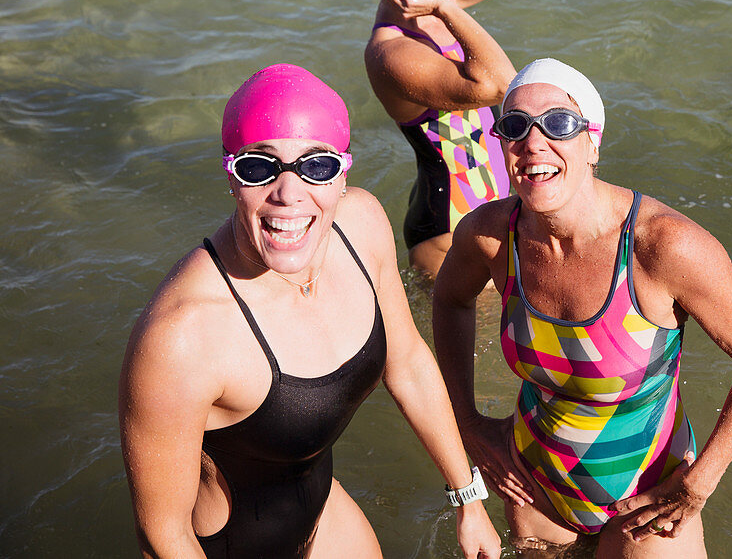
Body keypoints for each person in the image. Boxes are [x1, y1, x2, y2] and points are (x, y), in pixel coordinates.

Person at [118, 64, 500, 558]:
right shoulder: (183, 337)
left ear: (343, 173)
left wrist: (468, 498)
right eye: (260, 167)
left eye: (316, 165)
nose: (289, 193)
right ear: (231, 176)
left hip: (323, 515)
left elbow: (406, 362)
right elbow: (162, 536)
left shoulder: (360, 225)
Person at [431, 59, 732, 556]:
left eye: (557, 124)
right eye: (515, 126)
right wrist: (468, 423)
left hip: (648, 505)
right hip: (535, 489)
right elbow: (449, 300)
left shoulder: (661, 246)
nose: (534, 142)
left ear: (592, 141)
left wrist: (700, 483)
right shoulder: (491, 237)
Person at [356, 0, 541, 277]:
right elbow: (499, 84)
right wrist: (445, 8)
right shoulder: (393, 52)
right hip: (451, 233)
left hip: (494, 209)